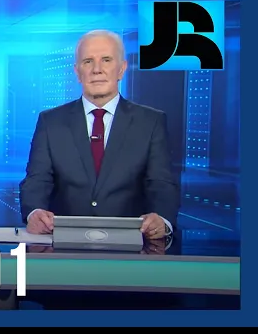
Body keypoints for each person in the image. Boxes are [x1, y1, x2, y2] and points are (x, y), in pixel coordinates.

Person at [19, 29, 180, 240]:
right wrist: (34, 212)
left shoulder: (151, 122)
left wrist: (162, 220)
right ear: (77, 72)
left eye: (106, 60)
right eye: (88, 61)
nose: (97, 70)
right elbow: (37, 180)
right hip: (64, 243)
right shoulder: (51, 122)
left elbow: (161, 183)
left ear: (121, 69)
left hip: (132, 244)